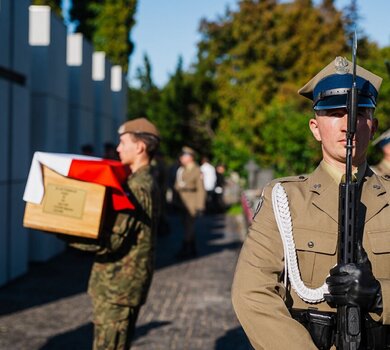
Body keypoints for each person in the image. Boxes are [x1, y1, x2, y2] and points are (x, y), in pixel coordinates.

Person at [232, 56, 390, 349]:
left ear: (373, 124)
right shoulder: (285, 200)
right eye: (334, 113)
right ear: (315, 127)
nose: (347, 125)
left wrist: (380, 296)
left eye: (358, 112)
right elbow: (251, 292)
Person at [67, 118, 160, 349]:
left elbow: (113, 240)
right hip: (121, 286)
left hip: (117, 286)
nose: (118, 148)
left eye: (123, 142)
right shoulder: (143, 181)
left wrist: (67, 232)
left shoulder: (137, 187)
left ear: (140, 147)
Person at [173, 146, 206, 259]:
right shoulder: (181, 170)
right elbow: (176, 185)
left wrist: (200, 206)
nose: (181, 158)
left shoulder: (196, 170)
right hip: (182, 202)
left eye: (184, 156)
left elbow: (201, 189)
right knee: (186, 226)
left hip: (192, 202)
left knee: (189, 226)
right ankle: (192, 248)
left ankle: (186, 249)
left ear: (190, 157)